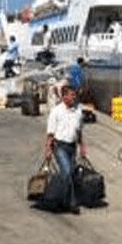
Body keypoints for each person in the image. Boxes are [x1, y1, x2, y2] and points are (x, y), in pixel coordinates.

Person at [45, 84, 86, 214]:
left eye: (74, 95)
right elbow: (50, 133)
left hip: (72, 146)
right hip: (60, 146)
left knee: (71, 174)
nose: (74, 97)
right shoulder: (56, 112)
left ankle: (61, 199)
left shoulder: (78, 112)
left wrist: (82, 146)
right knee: (67, 172)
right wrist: (48, 149)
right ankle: (72, 203)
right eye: (71, 95)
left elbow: (78, 131)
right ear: (63, 96)